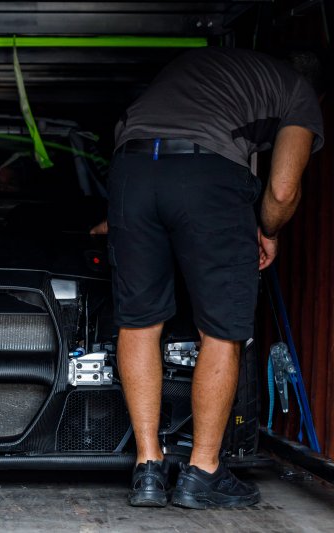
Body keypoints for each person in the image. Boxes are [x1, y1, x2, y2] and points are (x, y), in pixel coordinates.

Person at [103, 47, 324, 509]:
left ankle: (148, 468)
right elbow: (283, 190)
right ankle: (202, 472)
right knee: (221, 329)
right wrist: (267, 231)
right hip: (207, 175)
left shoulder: (199, 68)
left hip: (131, 171)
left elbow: (127, 125)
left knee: (139, 321)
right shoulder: (298, 91)